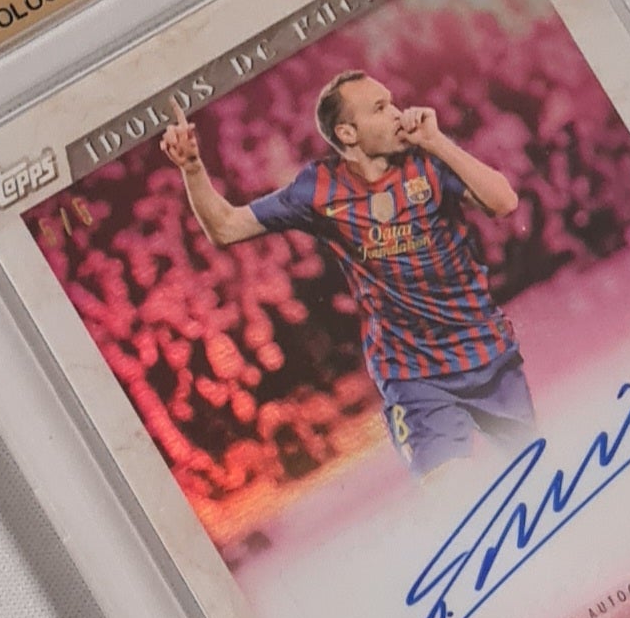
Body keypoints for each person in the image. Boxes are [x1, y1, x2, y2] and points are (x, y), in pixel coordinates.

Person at [159, 70, 536, 477]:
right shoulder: (319, 188)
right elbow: (226, 227)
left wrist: (437, 141)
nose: (397, 113)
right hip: (414, 376)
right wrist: (192, 167)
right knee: (452, 491)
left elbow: (504, 202)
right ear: (348, 133)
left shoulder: (427, 161)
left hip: (488, 354)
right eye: (380, 108)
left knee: (537, 475)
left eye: (392, 102)